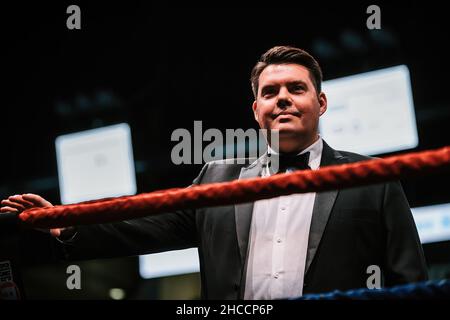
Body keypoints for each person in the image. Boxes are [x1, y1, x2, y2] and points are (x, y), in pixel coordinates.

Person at [1, 46, 428, 300]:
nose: (282, 99)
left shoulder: (371, 176)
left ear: (321, 103)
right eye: (269, 92)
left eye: (295, 89)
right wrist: (61, 223)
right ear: (256, 110)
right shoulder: (218, 179)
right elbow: (143, 223)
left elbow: (409, 279)